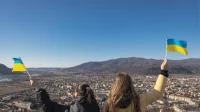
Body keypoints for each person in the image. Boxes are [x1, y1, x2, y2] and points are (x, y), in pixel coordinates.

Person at [103, 59, 168, 112]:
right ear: (130, 84)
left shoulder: (108, 105)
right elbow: (157, 93)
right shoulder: (140, 100)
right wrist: (163, 71)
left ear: (115, 86)